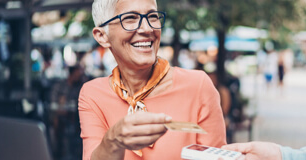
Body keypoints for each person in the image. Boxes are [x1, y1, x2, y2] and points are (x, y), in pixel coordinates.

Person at [78, 0, 226, 159]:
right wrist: (113, 140)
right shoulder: (93, 94)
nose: (147, 28)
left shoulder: (197, 86)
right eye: (130, 18)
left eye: (153, 16)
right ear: (102, 36)